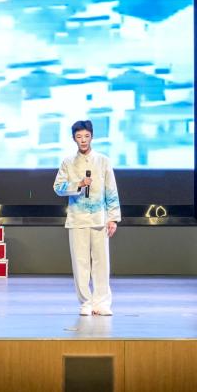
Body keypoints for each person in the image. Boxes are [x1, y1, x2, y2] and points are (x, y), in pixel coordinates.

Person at [53, 119, 121, 316]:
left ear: (92, 137)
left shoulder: (103, 161)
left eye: (86, 136)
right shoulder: (67, 162)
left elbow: (111, 190)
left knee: (102, 262)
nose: (83, 140)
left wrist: (113, 218)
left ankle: (102, 303)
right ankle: (85, 302)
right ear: (74, 139)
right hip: (77, 219)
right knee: (80, 263)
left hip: (99, 218)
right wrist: (78, 184)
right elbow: (58, 187)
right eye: (79, 137)